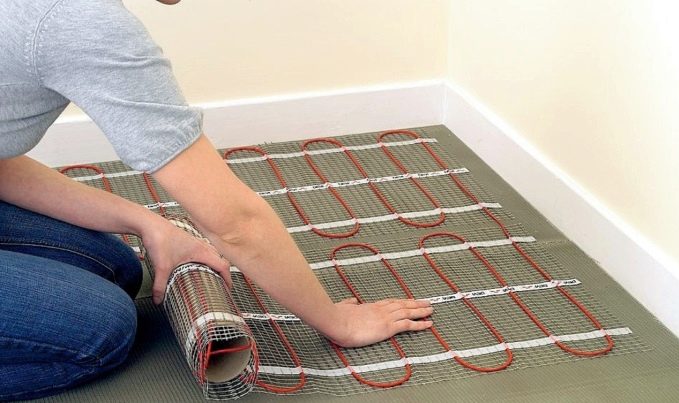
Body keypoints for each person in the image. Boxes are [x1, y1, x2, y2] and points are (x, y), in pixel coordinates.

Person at [0, 0, 434, 400]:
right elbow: (234, 223)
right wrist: (338, 322)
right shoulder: (76, 20)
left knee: (117, 268)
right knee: (102, 331)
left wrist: (145, 222)